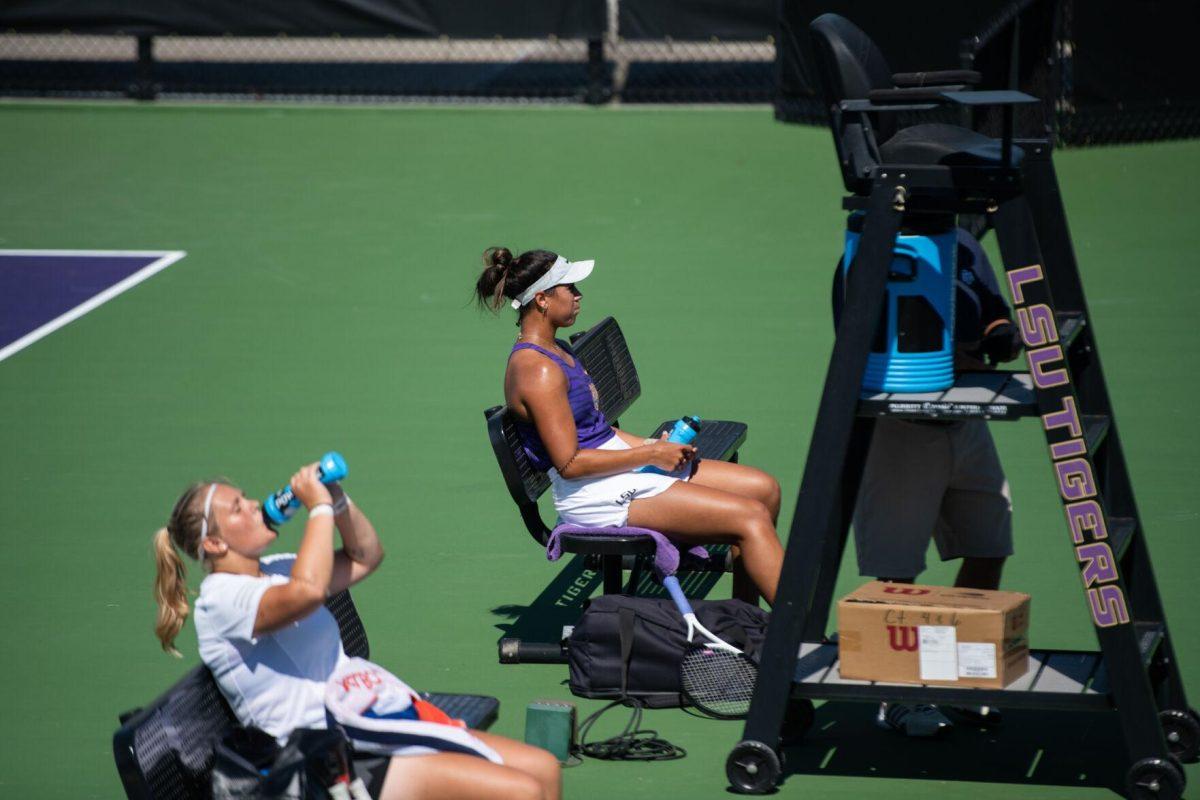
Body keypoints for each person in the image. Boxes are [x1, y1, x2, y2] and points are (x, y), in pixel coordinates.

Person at [152, 465, 561, 800]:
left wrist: (338, 501)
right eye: (238, 508)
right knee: (521, 792)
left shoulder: (277, 568)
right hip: (324, 757)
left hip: (362, 711)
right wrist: (317, 510)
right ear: (216, 544)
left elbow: (365, 556)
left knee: (543, 769)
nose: (255, 505)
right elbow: (309, 591)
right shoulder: (220, 599)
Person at [475, 246, 784, 605]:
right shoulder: (537, 370)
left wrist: (653, 447)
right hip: (591, 495)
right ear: (542, 299)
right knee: (750, 517)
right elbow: (570, 465)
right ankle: (796, 638)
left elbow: (600, 431)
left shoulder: (557, 349)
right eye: (570, 288)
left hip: (611, 466)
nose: (579, 295)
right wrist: (649, 452)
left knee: (764, 489)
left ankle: (745, 621)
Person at [833, 226, 1023, 736]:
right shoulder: (879, 251)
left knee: (988, 543)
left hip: (968, 422)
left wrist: (998, 335)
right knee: (896, 574)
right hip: (900, 429)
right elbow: (867, 340)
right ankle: (894, 697)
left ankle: (961, 678)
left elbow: (993, 311)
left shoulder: (965, 245)